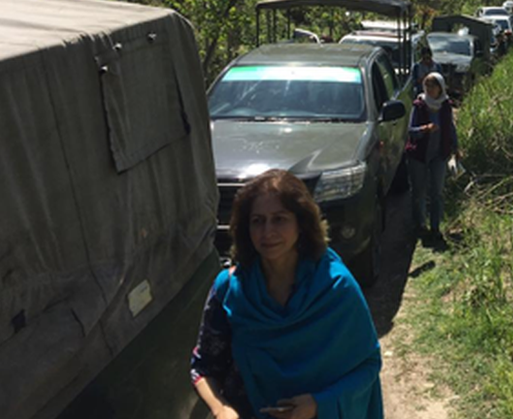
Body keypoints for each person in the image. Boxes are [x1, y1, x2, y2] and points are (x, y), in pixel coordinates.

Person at [190, 169, 383, 419]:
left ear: (301, 224)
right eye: (257, 221)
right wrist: (221, 409)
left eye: (279, 219)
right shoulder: (230, 290)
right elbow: (203, 368)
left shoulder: (336, 289)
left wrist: (318, 404)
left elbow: (367, 366)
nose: (267, 231)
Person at [405, 72, 458, 242]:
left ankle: (435, 228)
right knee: (418, 192)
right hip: (419, 154)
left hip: (439, 154)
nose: (429, 90)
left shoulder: (445, 105)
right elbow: (410, 132)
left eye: (433, 86)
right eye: (427, 86)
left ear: (440, 88)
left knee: (437, 192)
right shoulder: (419, 105)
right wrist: (424, 129)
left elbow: (450, 127)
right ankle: (420, 225)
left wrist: (456, 147)